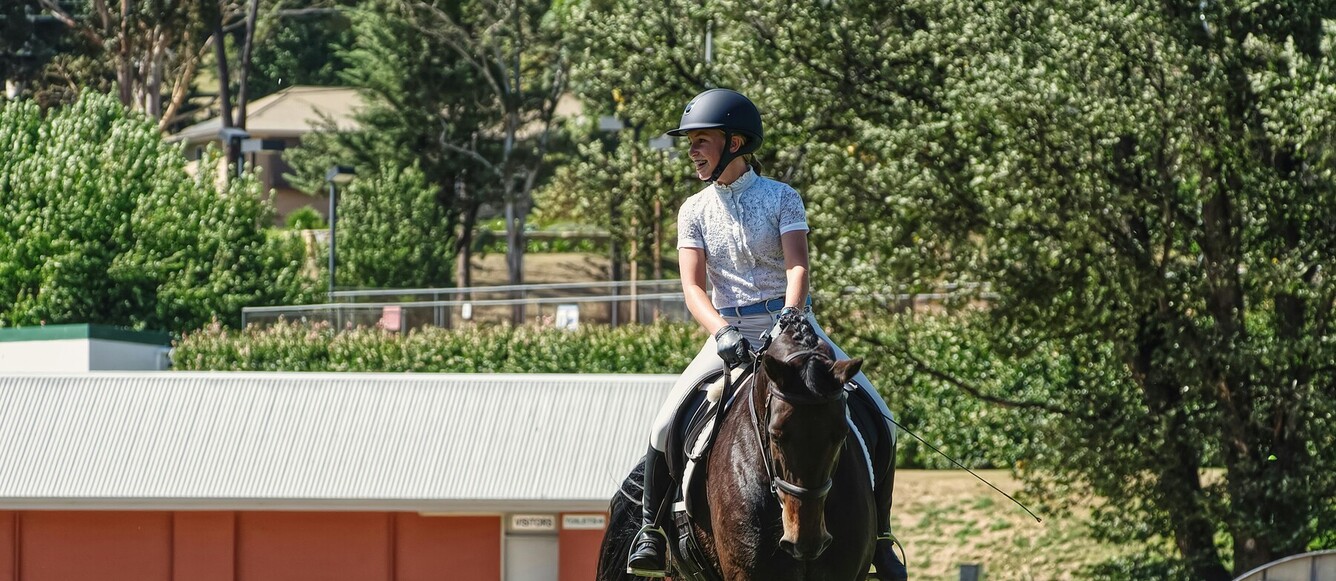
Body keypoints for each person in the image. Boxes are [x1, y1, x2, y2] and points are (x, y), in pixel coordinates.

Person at [626, 88, 908, 581]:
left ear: (735, 142)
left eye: (701, 141)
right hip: (729, 332)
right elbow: (692, 287)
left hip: (792, 326)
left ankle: (880, 536)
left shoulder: (781, 196)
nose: (692, 151)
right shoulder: (693, 210)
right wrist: (721, 332)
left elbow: (797, 266)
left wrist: (790, 316)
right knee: (665, 421)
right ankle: (651, 531)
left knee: (877, 412)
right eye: (690, 143)